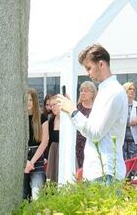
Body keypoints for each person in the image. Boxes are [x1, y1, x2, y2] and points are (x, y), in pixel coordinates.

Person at [56, 44, 126, 182]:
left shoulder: (113, 92)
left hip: (105, 171)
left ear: (101, 64)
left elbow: (95, 133)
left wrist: (73, 111)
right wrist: (72, 112)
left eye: (89, 68)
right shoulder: (106, 90)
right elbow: (91, 131)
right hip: (101, 170)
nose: (88, 73)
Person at [23, 88, 47, 199]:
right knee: (23, 196)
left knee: (37, 196)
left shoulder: (42, 117)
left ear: (35, 101)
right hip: (22, 158)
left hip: (37, 158)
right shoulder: (20, 119)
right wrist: (25, 161)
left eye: (30, 100)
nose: (28, 103)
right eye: (26, 100)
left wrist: (31, 162)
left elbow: (45, 141)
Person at [72, 81, 96, 173]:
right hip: (77, 145)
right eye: (81, 90)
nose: (83, 93)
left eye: (86, 91)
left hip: (91, 144)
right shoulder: (75, 109)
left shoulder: (97, 109)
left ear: (92, 93)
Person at [42, 95, 61, 185]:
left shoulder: (67, 120)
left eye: (54, 105)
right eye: (51, 105)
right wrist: (46, 156)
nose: (52, 107)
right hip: (53, 151)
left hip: (63, 151)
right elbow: (48, 140)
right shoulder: (51, 119)